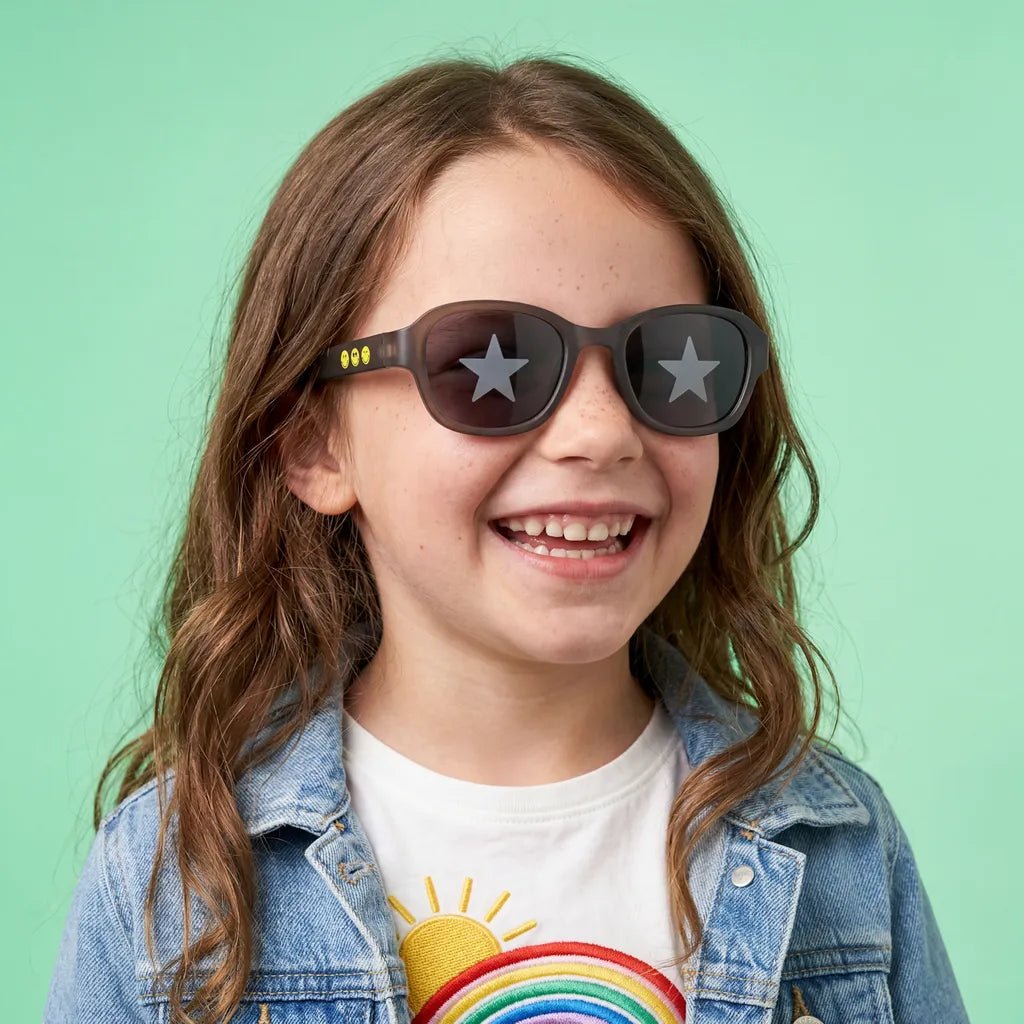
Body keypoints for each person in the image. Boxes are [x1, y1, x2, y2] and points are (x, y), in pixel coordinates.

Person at [43, 53, 969, 1024]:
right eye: (493, 363)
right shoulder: (173, 882)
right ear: (313, 442)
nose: (602, 432)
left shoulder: (838, 849)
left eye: (672, 361)